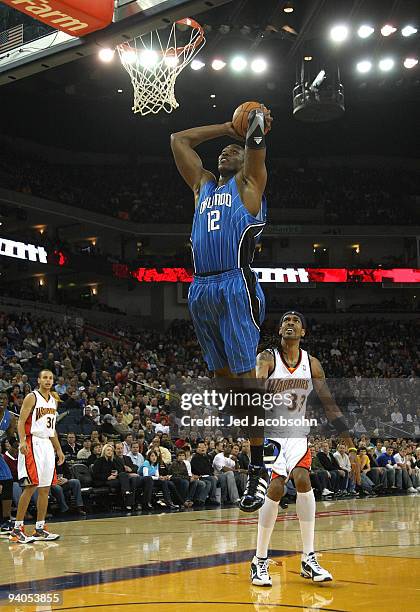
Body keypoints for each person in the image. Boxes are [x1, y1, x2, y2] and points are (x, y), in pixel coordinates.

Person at [171, 105, 273, 512]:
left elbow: (256, 144)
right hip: (201, 288)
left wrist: (253, 127)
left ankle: (257, 468)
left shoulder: (249, 184)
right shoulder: (203, 187)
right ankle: (259, 439)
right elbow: (178, 140)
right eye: (223, 151)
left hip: (236, 282)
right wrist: (225, 127)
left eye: (233, 149)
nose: (224, 153)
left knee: (245, 381)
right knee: (226, 383)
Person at [250, 312, 353, 586]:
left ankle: (309, 557)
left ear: (303, 332)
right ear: (280, 330)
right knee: (275, 488)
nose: (290, 323)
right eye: (286, 321)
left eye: (296, 321)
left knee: (304, 479)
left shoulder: (313, 364)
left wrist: (349, 440)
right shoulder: (267, 358)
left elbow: (329, 404)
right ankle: (259, 560)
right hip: (271, 435)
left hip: (297, 435)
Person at [10, 370, 65, 543]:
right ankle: (17, 529)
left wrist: (59, 449)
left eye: (50, 378)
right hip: (32, 442)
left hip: (47, 444)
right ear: (39, 380)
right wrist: (22, 441)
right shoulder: (31, 397)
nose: (48, 381)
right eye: (45, 378)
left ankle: (40, 528)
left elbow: (52, 429)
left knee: (45, 489)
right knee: (30, 486)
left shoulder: (54, 400)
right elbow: (20, 421)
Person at [0, 391, 17, 533]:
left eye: (4, 398)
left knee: (8, 480)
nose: (2, 400)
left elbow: (10, 438)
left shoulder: (10, 417)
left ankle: (5, 520)